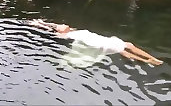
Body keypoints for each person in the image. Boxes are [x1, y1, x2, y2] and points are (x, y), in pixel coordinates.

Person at [29, 19, 163, 66]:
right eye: (62, 26)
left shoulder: (72, 30)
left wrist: (42, 22)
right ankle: (147, 61)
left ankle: (150, 59)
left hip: (101, 39)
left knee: (127, 46)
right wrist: (39, 25)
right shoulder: (67, 35)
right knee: (124, 48)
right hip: (98, 43)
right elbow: (52, 30)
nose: (63, 24)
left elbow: (53, 26)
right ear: (62, 32)